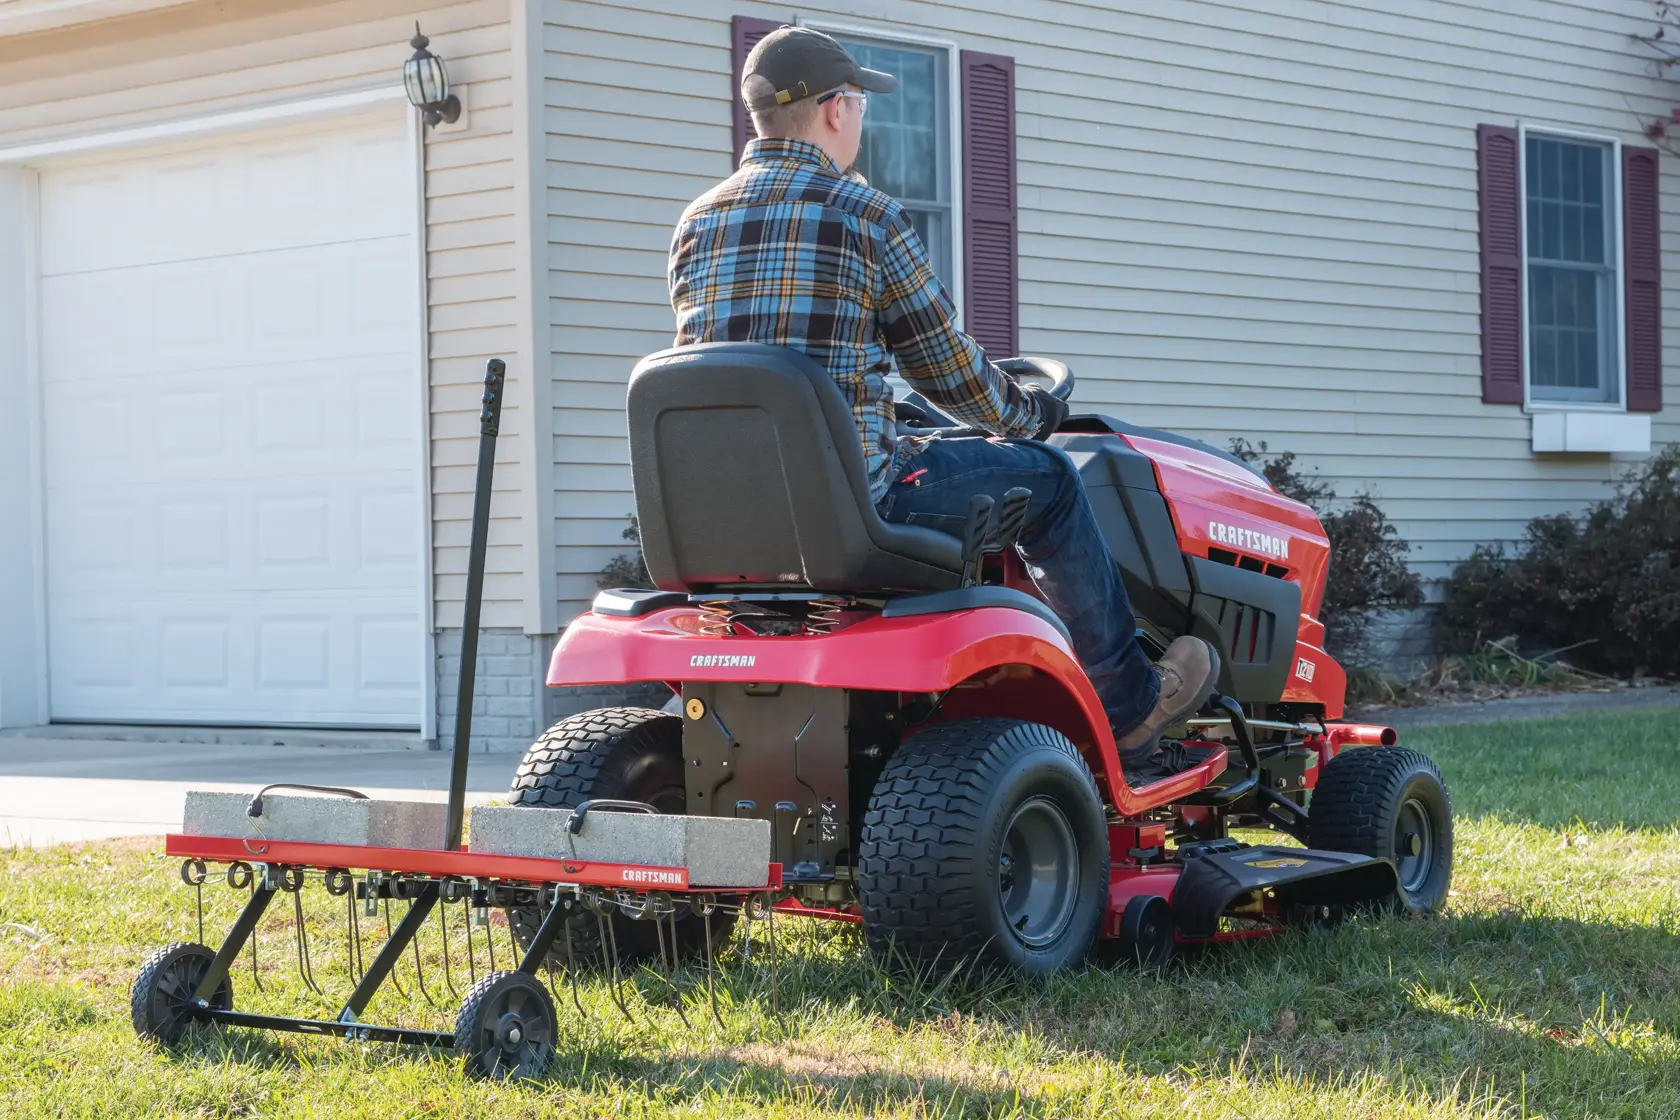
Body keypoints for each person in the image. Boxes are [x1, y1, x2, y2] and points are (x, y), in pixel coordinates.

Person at [666, 25, 1218, 783]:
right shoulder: (862, 214)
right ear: (834, 110)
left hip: (734, 515)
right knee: (1048, 478)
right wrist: (1031, 417)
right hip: (854, 502)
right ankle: (1128, 710)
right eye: (859, 104)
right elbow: (946, 368)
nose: (862, 119)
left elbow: (756, 374)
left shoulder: (697, 222)